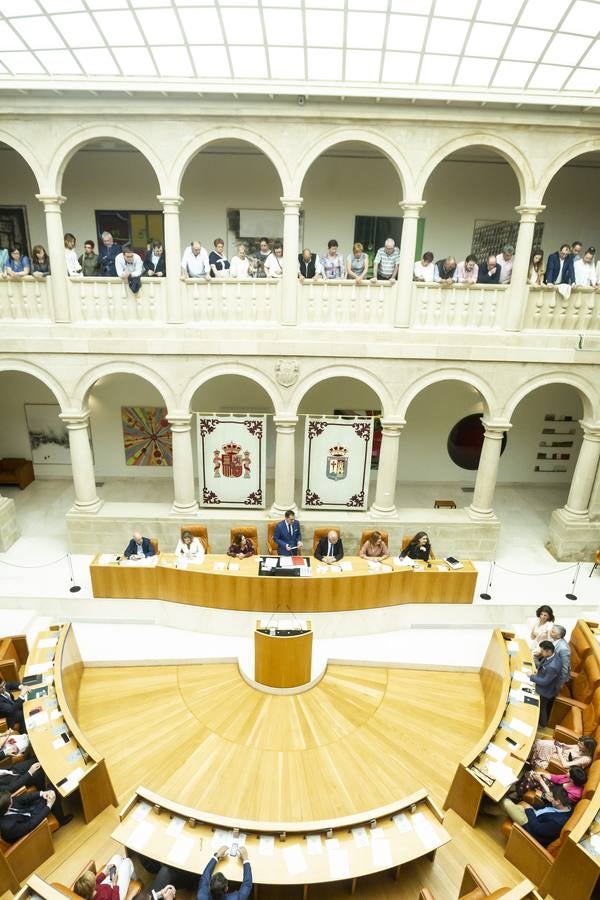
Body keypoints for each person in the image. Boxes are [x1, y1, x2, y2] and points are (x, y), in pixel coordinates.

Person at [501, 782, 572, 848]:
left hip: (529, 826)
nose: (548, 797)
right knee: (514, 803)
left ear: (557, 802)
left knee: (505, 802)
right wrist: (529, 807)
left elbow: (536, 829)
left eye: (550, 796)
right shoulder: (565, 806)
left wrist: (529, 809)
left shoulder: (557, 822)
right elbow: (543, 808)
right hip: (534, 816)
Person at [0, 787, 72, 843]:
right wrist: (49, 806)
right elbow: (32, 824)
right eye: (11, 800)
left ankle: (55, 810)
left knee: (50, 790)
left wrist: (42, 793)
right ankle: (61, 820)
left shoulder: (4, 803)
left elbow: (22, 799)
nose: (12, 798)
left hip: (27, 811)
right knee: (53, 793)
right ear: (7, 806)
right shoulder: (8, 826)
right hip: (29, 826)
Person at [529, 639, 563, 727]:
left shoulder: (553, 666)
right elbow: (543, 665)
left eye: (542, 651)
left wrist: (531, 676)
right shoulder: (551, 656)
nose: (540, 652)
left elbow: (544, 682)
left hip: (545, 691)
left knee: (542, 708)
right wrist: (537, 671)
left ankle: (543, 725)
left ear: (548, 651)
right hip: (542, 681)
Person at [530, 735, 596, 771]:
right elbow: (567, 746)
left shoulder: (586, 759)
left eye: (580, 745)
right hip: (560, 753)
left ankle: (528, 758)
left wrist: (559, 752)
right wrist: (562, 745)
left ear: (587, 748)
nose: (578, 745)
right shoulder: (580, 748)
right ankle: (528, 755)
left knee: (543, 750)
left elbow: (565, 765)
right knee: (542, 744)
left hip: (561, 762)